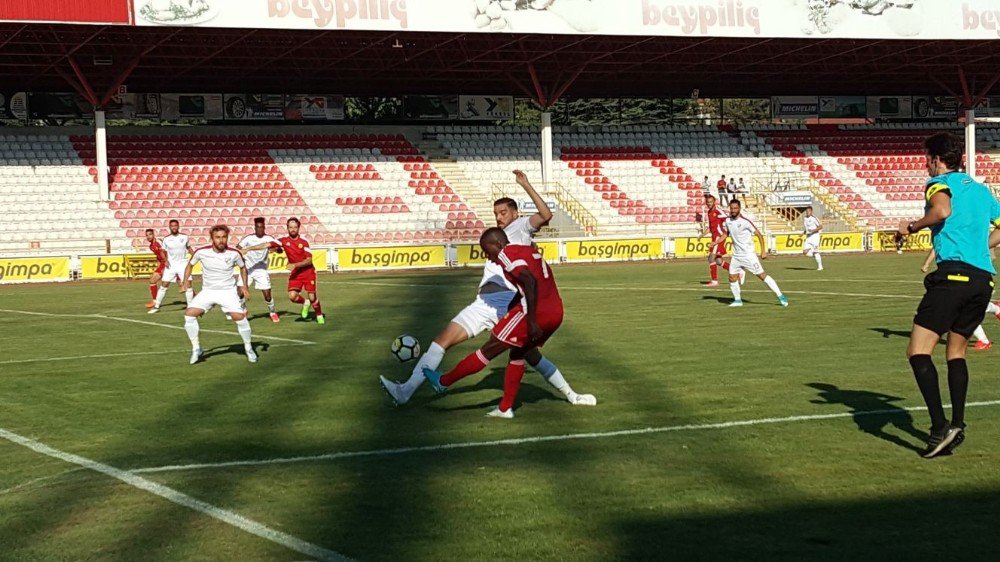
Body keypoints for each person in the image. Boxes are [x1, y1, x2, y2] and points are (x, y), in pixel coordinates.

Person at [380, 170, 595, 407]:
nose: (499, 217)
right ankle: (405, 391)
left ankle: (571, 395)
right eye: (496, 214)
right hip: (483, 302)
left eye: (503, 213)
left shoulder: (521, 227)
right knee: (443, 340)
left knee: (531, 356)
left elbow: (545, 214)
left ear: (515, 213)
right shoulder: (498, 235)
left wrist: (526, 185)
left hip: (507, 303)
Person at [897, 132, 1000, 459]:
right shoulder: (983, 192)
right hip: (983, 280)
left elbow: (940, 211)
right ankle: (957, 423)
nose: (925, 163)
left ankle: (939, 427)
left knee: (917, 351)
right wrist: (980, 248)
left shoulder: (939, 184)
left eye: (926, 157)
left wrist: (911, 227)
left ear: (937, 159)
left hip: (952, 276)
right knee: (956, 352)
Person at [422, 228, 565, 419]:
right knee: (517, 353)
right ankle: (505, 409)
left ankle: (443, 382)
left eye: (487, 251)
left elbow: (529, 282)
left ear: (498, 244)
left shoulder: (506, 254)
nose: (488, 257)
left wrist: (531, 320)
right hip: (556, 312)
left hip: (535, 314)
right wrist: (513, 306)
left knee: (489, 349)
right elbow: (528, 284)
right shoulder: (528, 250)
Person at [181, 225, 256, 364]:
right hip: (208, 291)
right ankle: (197, 348)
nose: (221, 240)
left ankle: (249, 348)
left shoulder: (234, 253)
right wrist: (185, 282)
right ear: (212, 238)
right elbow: (190, 265)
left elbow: (243, 268)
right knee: (189, 315)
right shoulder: (201, 252)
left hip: (228, 292)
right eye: (217, 237)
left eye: (224, 237)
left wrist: (244, 286)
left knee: (239, 317)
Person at [711, 200, 788, 308]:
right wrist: (717, 242)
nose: (733, 210)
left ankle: (781, 296)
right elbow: (726, 233)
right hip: (736, 256)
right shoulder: (728, 220)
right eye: (731, 208)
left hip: (748, 256)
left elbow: (759, 235)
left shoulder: (745, 222)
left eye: (735, 208)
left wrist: (763, 251)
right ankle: (738, 300)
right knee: (732, 278)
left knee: (762, 276)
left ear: (739, 208)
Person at [922, 247, 1000, 351]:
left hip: (970, 274)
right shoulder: (947, 235)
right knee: (966, 308)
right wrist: (927, 263)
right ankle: (995, 309)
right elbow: (937, 246)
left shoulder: (967, 236)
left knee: (963, 309)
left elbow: (990, 250)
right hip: (954, 273)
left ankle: (984, 340)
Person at [279, 217, 325, 325]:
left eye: (295, 227)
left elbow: (309, 261)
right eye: (290, 227)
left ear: (299, 228)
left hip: (308, 272)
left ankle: (319, 315)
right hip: (296, 273)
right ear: (287, 228)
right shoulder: (284, 241)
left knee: (312, 296)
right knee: (292, 296)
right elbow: (270, 245)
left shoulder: (304, 242)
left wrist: (294, 265)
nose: (293, 229)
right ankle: (305, 303)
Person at [238, 217, 282, 323]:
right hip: (247, 269)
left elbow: (280, 249)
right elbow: (238, 248)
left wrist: (276, 249)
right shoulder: (248, 239)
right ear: (255, 228)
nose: (260, 229)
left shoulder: (269, 238)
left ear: (264, 227)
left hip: (261, 270)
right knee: (239, 292)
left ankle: (272, 312)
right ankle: (243, 310)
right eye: (258, 227)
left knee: (267, 295)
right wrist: (241, 253)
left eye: (261, 227)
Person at [149, 219, 194, 314]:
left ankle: (190, 307)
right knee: (164, 284)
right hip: (171, 265)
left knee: (188, 285)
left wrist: (195, 256)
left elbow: (189, 248)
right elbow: (162, 251)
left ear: (178, 226)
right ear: (169, 227)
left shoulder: (185, 237)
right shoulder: (166, 239)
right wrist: (165, 261)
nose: (174, 227)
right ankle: (156, 307)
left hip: (183, 264)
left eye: (175, 225)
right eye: (172, 226)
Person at [702, 194, 731, 287]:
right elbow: (711, 227)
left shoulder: (718, 210)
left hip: (719, 237)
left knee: (711, 258)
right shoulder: (709, 212)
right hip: (714, 237)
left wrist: (727, 230)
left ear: (714, 202)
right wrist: (702, 234)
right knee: (718, 261)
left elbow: (727, 217)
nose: (709, 203)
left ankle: (714, 281)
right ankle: (737, 271)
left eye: (710, 202)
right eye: (707, 202)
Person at [144, 228, 168, 309]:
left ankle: (194, 297)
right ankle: (154, 301)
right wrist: (159, 265)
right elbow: (158, 256)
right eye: (147, 235)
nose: (148, 236)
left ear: (154, 234)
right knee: (152, 280)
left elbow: (166, 252)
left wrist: (166, 264)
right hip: (162, 264)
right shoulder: (151, 246)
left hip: (168, 263)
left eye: (150, 234)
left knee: (181, 283)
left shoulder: (159, 243)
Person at [802, 206, 824, 271]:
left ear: (811, 211)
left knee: (815, 252)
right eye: (806, 211)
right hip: (808, 237)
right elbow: (807, 228)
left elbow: (821, 226)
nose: (807, 212)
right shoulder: (805, 218)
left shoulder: (814, 218)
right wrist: (803, 232)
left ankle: (820, 266)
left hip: (815, 236)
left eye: (808, 211)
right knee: (804, 252)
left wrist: (813, 230)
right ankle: (816, 255)